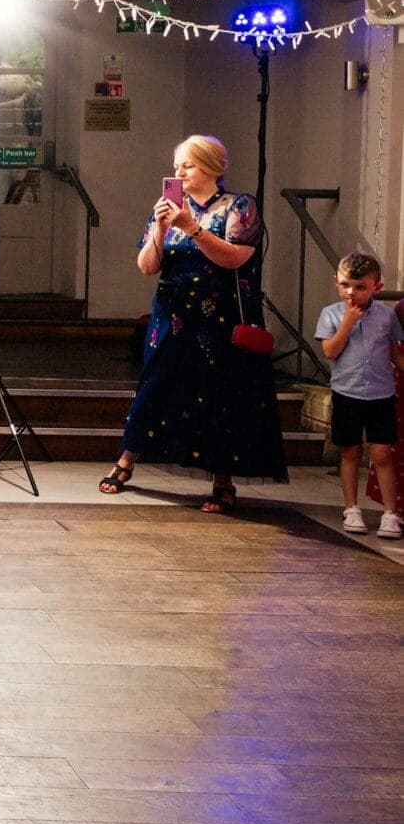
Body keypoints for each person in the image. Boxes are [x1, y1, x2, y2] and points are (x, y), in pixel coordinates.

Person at [99, 134, 287, 509]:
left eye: (187, 164)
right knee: (155, 383)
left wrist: (192, 228)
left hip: (221, 315)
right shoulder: (168, 208)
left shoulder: (239, 206)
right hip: (172, 313)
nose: (179, 172)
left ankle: (222, 477)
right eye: (176, 166)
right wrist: (162, 228)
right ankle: (126, 461)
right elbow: (147, 266)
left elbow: (236, 258)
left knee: (221, 391)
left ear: (212, 167)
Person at [316, 252, 404, 537]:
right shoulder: (331, 313)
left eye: (360, 287)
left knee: (381, 453)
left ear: (376, 287)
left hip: (381, 394)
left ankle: (390, 513)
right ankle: (351, 508)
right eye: (345, 285)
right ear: (336, 283)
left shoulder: (387, 316)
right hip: (347, 393)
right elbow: (330, 351)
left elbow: (394, 352)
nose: (352, 292)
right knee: (350, 451)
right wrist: (347, 324)